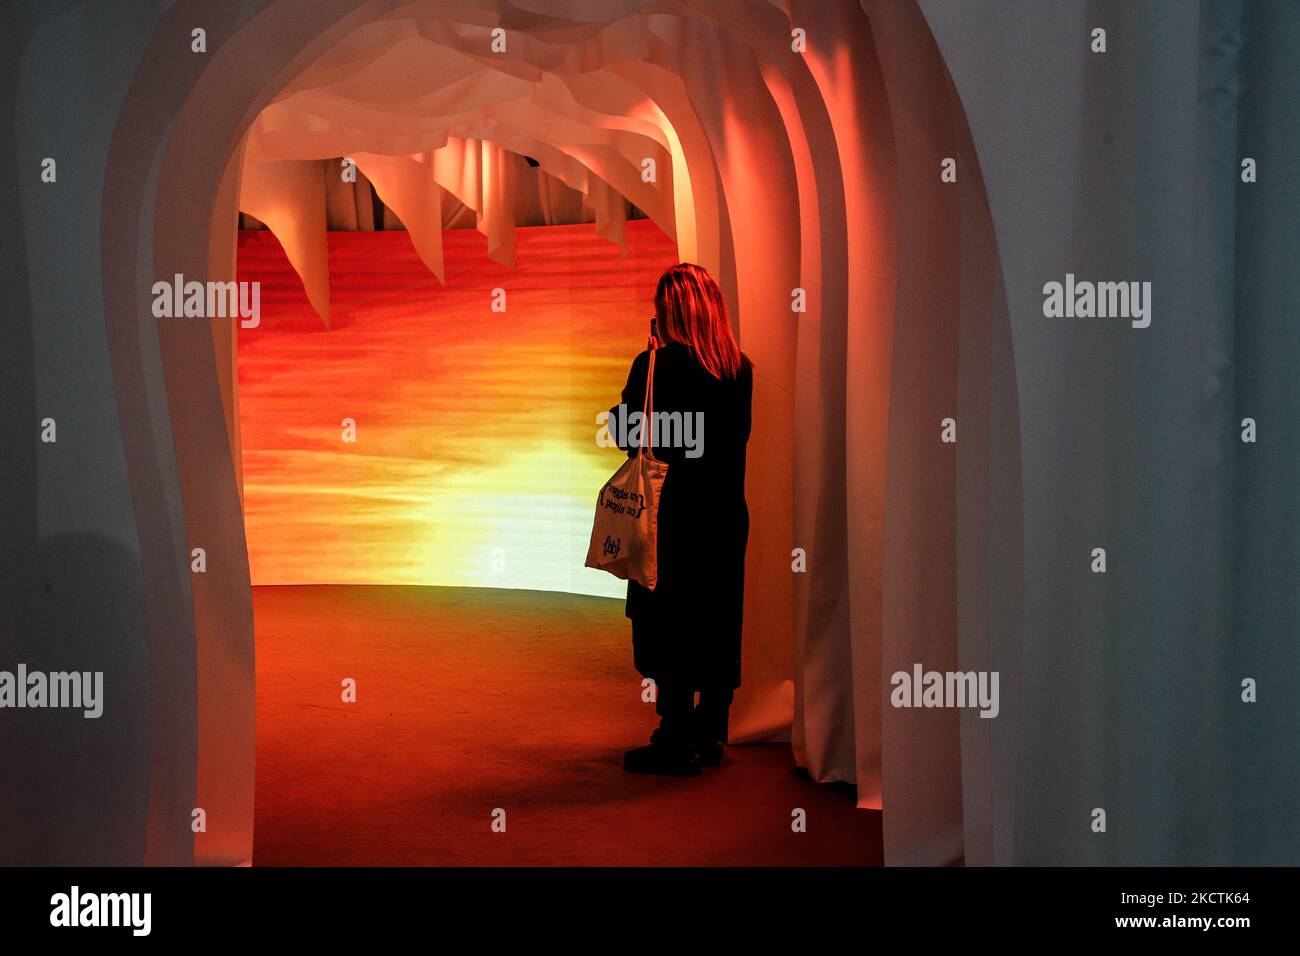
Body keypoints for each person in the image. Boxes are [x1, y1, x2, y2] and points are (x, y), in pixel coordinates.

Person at [608, 263, 753, 776]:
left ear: (665, 312)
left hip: (667, 519)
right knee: (716, 617)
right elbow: (733, 442)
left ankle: (672, 734)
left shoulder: (651, 368)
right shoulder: (739, 369)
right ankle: (711, 730)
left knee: (664, 621)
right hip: (721, 516)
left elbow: (626, 435)